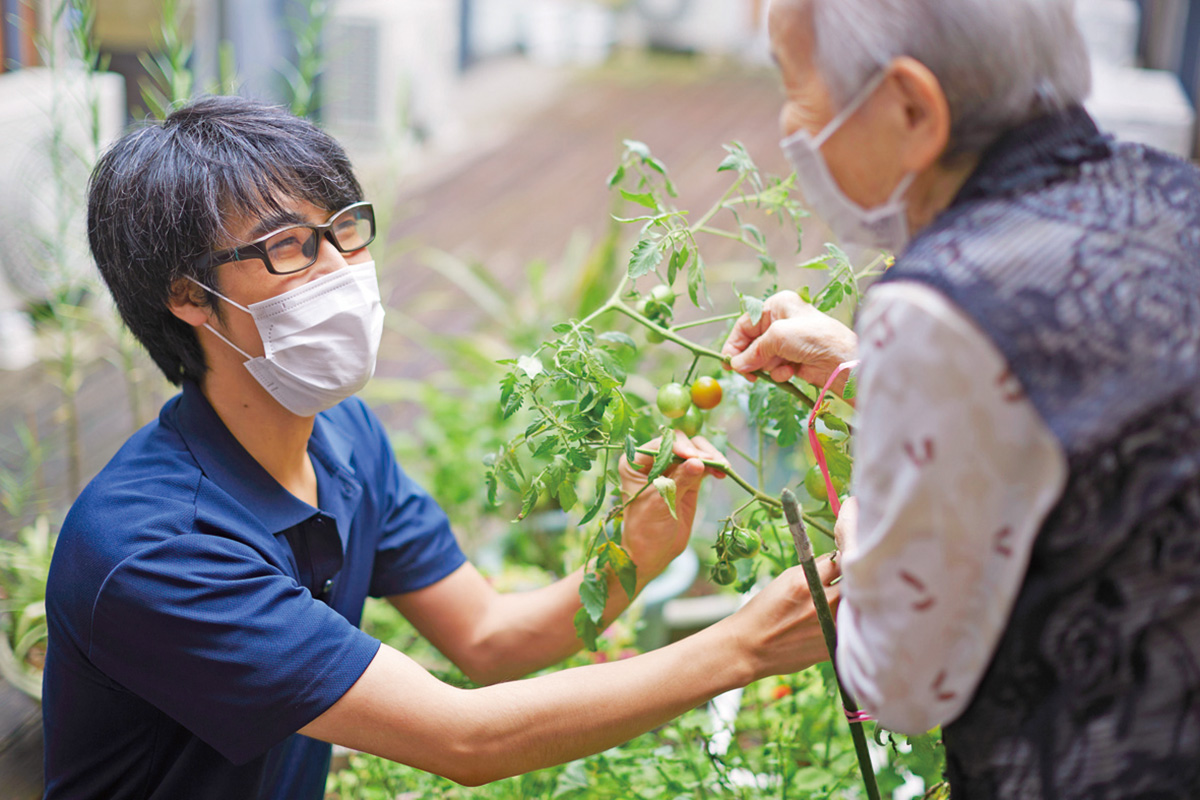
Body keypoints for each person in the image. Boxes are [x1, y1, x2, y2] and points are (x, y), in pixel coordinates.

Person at [42, 96, 839, 799]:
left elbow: (488, 638)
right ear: (188, 297)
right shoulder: (154, 549)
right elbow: (465, 737)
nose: (343, 271)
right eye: (290, 247)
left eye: (345, 230)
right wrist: (742, 647)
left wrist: (628, 558)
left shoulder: (340, 441)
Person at [723, 0, 1200, 797]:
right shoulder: (1171, 190)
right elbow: (1101, 400)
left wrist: (865, 527)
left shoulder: (939, 302)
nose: (790, 125)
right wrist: (862, 365)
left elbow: (901, 681)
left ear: (911, 107)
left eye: (795, 85)